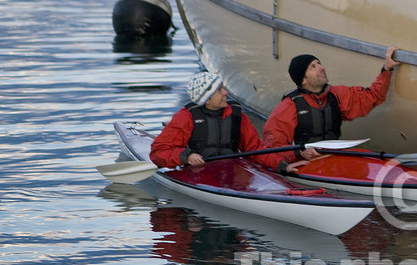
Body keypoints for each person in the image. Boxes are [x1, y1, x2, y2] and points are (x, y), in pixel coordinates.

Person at [261, 48, 400, 172]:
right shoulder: (289, 106)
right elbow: (271, 149)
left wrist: (387, 68)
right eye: (313, 67)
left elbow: (373, 96)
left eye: (319, 63)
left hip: (334, 158)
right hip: (306, 163)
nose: (321, 68)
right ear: (303, 80)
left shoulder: (336, 94)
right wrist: (298, 152)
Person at [149, 70, 267, 168]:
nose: (225, 92)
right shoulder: (186, 117)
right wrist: (186, 156)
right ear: (207, 99)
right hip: (198, 173)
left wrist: (278, 165)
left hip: (231, 171)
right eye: (219, 90)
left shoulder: (236, 115)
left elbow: (255, 149)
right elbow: (158, 153)